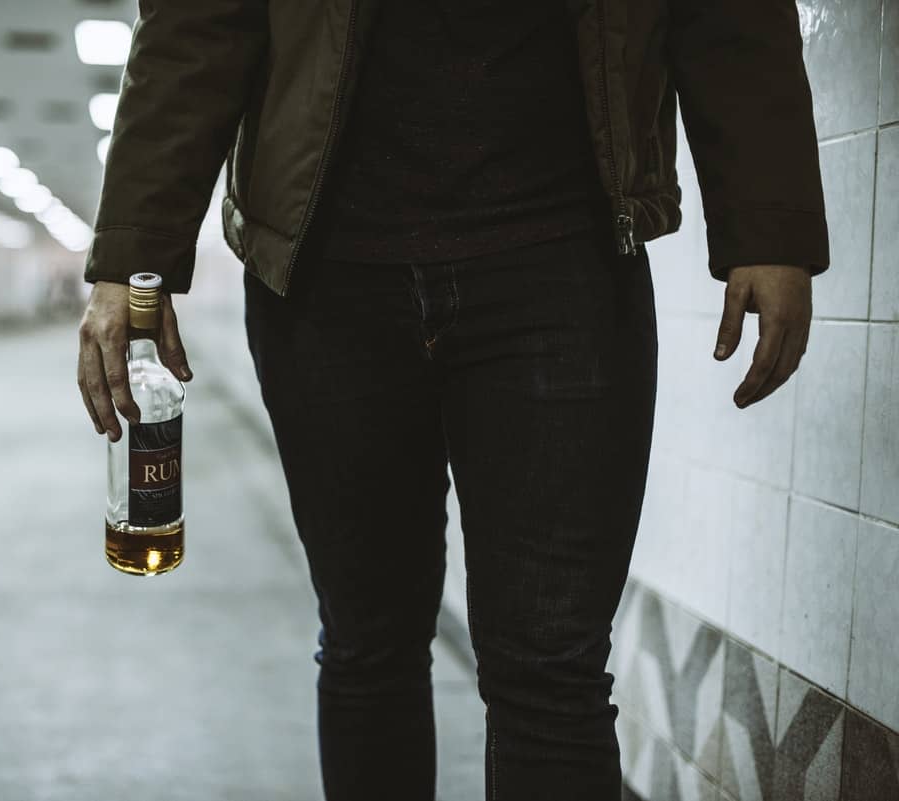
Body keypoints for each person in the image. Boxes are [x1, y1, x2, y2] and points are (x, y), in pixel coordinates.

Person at [76, 1, 829, 799]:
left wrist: (769, 221)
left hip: (564, 260)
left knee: (552, 669)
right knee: (369, 644)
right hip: (328, 274)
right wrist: (135, 252)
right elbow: (198, 20)